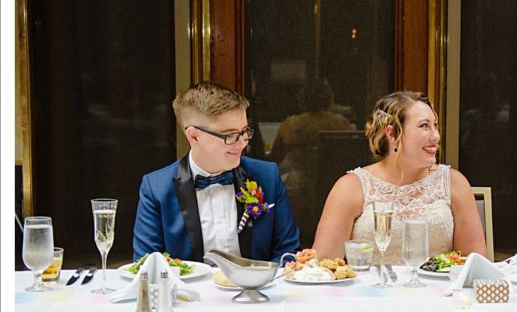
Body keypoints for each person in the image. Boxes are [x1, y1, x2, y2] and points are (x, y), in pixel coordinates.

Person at [133, 81, 300, 262]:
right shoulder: (156, 188)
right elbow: (146, 264)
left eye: (245, 131)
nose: (243, 142)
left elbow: (287, 251)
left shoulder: (267, 176)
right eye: (229, 135)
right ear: (194, 136)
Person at [312, 90, 487, 263]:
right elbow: (323, 265)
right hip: (368, 290)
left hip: (436, 291)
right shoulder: (351, 187)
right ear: (392, 134)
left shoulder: (454, 183)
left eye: (435, 125)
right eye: (424, 126)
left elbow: (475, 264)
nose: (436, 136)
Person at [269, 78, 354, 244]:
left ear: (302, 99)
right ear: (330, 98)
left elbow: (275, 158)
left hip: (298, 194)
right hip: (332, 190)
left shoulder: (291, 124)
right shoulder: (341, 123)